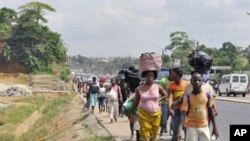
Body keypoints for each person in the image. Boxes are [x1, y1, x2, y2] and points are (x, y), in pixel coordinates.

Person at [130, 70, 168, 141]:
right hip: (144, 115)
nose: (150, 77)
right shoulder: (139, 89)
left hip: (156, 115)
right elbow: (136, 102)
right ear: (144, 76)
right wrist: (131, 112)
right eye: (148, 75)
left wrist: (158, 100)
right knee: (145, 136)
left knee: (153, 137)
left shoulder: (158, 87)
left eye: (152, 75)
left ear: (154, 77)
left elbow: (165, 95)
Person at [180, 72, 219, 141]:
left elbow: (210, 112)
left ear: (202, 82)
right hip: (191, 127)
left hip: (204, 127)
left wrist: (215, 128)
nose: (197, 82)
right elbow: (183, 112)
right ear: (191, 82)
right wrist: (182, 125)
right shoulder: (188, 97)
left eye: (199, 80)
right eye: (194, 80)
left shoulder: (207, 96)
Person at [168, 67, 189, 141]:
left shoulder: (187, 84)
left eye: (173, 74)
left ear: (178, 75)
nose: (171, 75)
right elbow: (170, 97)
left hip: (186, 110)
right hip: (176, 110)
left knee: (186, 128)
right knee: (175, 129)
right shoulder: (171, 85)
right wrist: (170, 107)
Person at [159, 74, 170, 139]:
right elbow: (160, 92)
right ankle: (161, 132)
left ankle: (165, 126)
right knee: (164, 118)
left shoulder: (175, 81)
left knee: (167, 118)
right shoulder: (163, 81)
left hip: (173, 103)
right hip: (165, 102)